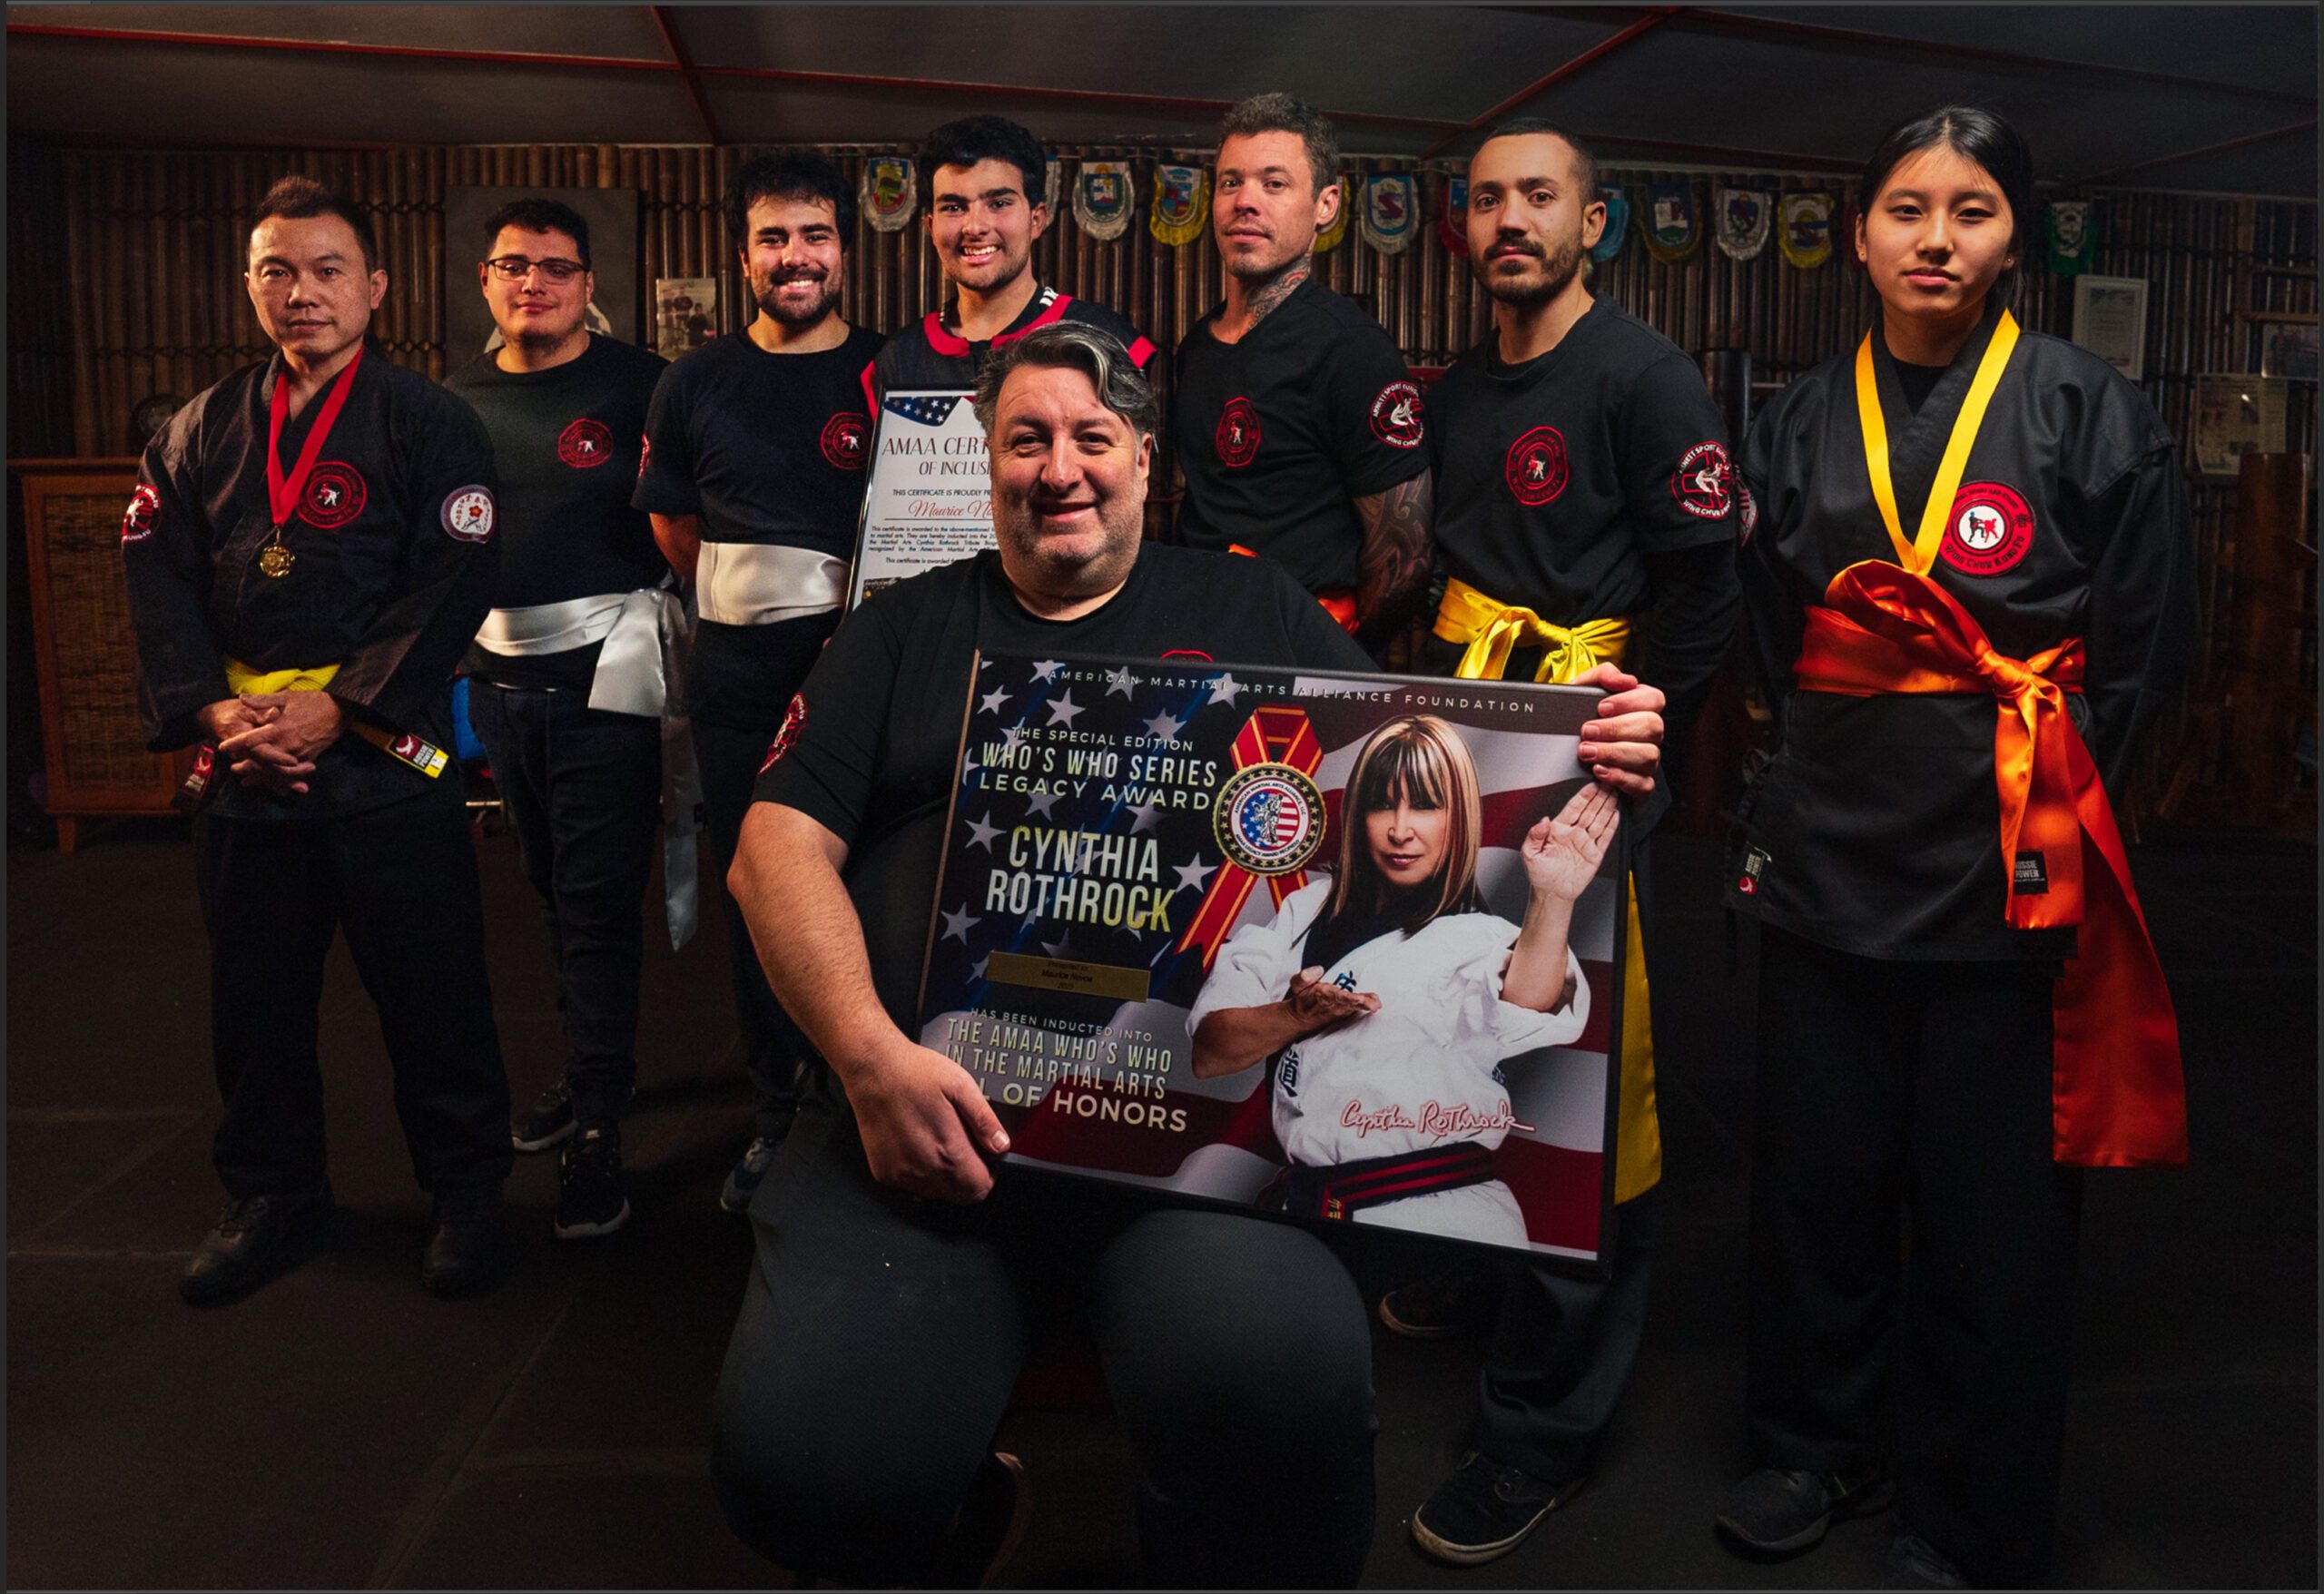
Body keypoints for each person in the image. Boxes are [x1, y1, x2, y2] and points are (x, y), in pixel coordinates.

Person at [711, 321, 1669, 1586]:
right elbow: (771, 848)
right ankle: (943, 1515)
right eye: (1027, 439)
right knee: (804, 1467)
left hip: (1197, 1150)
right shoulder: (901, 629)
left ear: (1145, 462)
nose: (1061, 468)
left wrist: (1597, 762)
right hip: (922, 1125)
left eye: (1092, 438)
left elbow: (1440, 783)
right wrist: (867, 1057)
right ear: (985, 466)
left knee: (1278, 1396)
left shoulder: (1252, 606)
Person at [1720, 106, 2195, 1589]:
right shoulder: (1797, 415)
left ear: (2017, 236)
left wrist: (2063, 810)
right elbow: (1760, 637)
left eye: (1974, 209)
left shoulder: (2088, 408)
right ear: (1858, 234)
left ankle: (1975, 1509)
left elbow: (2149, 653)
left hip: (2009, 875)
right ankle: (1814, 1443)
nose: (1938, 237)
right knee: (1816, 1189)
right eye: (1909, 209)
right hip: (1826, 872)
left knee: (1996, 1221)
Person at [1386, 119, 1744, 1567]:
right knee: (1463, 1022)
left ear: (1592, 222)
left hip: (1580, 757)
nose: (1511, 219)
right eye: (1487, 200)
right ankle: (1482, 1273)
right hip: (1473, 743)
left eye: (1541, 197)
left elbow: (1707, 590)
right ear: (1462, 229)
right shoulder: (1457, 389)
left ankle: (1544, 1428)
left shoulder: (1647, 379)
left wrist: (1639, 751)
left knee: (1582, 1089)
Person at [122, 176, 515, 1305]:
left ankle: (466, 1191)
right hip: (247, 764)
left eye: (328, 269)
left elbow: (458, 574)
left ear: (375, 287)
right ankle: (273, 1198)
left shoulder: (432, 421)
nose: (304, 294)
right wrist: (212, 711)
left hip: (382, 757)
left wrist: (339, 704)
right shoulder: (196, 430)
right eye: (278, 272)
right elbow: (154, 579)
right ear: (250, 286)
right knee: (254, 1004)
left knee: (434, 990)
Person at [634, 153, 885, 1214]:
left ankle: (872, 1099)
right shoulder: (691, 380)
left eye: (815, 235)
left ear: (843, 248)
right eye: (774, 238)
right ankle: (777, 1112)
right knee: (762, 898)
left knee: (876, 887)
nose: (796, 257)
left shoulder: (893, 369)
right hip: (739, 671)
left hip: (868, 668)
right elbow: (675, 530)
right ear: (744, 256)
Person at [447, 196, 673, 1240]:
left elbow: (683, 514)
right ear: (486, 281)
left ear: (589, 284)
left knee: (593, 896)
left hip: (605, 674)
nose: (532, 281)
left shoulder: (638, 385)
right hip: (497, 678)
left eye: (555, 266)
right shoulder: (450, 402)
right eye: (512, 265)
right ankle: (591, 1069)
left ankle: (598, 1119)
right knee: (545, 887)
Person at [1187, 714, 1611, 1246]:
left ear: (1459, 818)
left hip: (1443, 1218)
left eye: (1426, 805)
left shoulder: (1481, 937)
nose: (1400, 829)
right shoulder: (1304, 910)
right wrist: (1296, 1016)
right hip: (1307, 1209)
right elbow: (1211, 1053)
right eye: (1382, 803)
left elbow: (1526, 1003)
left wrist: (1552, 898)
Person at [1169, 92, 1433, 651]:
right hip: (1195, 637)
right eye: (1230, 182)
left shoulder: (1353, 351)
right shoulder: (1196, 347)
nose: (1246, 201)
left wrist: (1335, 656)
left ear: (1326, 205)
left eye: (1274, 183)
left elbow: (1405, 554)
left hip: (1301, 648)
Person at [869, 113, 1154, 402]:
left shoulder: (1106, 338)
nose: (975, 226)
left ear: (1036, 219)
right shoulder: (900, 358)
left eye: (999, 203)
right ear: (931, 226)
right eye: (954, 207)